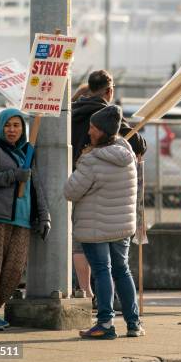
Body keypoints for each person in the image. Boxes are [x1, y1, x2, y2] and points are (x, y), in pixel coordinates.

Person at [64, 105, 144, 339]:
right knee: (122, 271)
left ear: (102, 131)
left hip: (95, 226)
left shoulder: (92, 159)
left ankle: (105, 324)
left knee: (102, 272)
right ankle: (134, 323)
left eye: (92, 128)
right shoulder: (126, 153)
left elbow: (70, 191)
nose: (89, 132)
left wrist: (82, 159)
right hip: (122, 226)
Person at [71, 70, 146, 305]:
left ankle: (84, 293)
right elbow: (138, 143)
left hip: (76, 180)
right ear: (109, 90)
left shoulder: (71, 110)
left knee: (80, 244)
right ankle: (118, 312)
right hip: (106, 194)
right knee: (113, 265)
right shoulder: (107, 115)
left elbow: (69, 191)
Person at [0, 108, 51, 330]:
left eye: (17, 125)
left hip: (23, 220)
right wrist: (12, 176)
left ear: (23, 128)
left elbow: (37, 187)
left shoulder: (28, 151)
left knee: (14, 271)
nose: (12, 130)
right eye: (8, 125)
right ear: (1, 127)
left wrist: (44, 216)